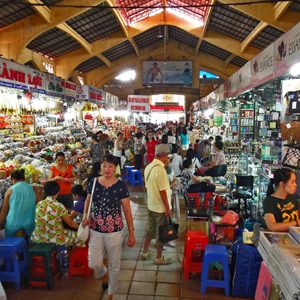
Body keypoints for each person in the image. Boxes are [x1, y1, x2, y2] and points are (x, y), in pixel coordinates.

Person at [82, 155, 135, 300]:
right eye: (104, 165)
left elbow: (127, 210)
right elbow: (88, 200)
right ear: (100, 167)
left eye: (111, 166)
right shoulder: (93, 182)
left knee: (114, 265)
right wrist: (85, 216)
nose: (107, 169)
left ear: (115, 168)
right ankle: (103, 273)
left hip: (115, 231)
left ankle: (111, 293)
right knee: (93, 262)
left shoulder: (120, 186)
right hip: (95, 229)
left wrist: (131, 233)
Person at [141, 144, 173, 265]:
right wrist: (167, 208)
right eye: (167, 156)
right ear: (163, 156)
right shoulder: (161, 170)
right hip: (160, 208)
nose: (168, 159)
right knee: (162, 233)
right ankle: (159, 257)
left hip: (151, 205)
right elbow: (163, 192)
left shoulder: (149, 167)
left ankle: (145, 251)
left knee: (150, 229)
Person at [0, 169, 36, 237]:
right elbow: (37, 203)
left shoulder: (10, 190)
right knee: (30, 245)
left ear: (13, 179)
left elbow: (4, 210)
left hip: (13, 224)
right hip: (30, 223)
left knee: (12, 243)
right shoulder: (33, 188)